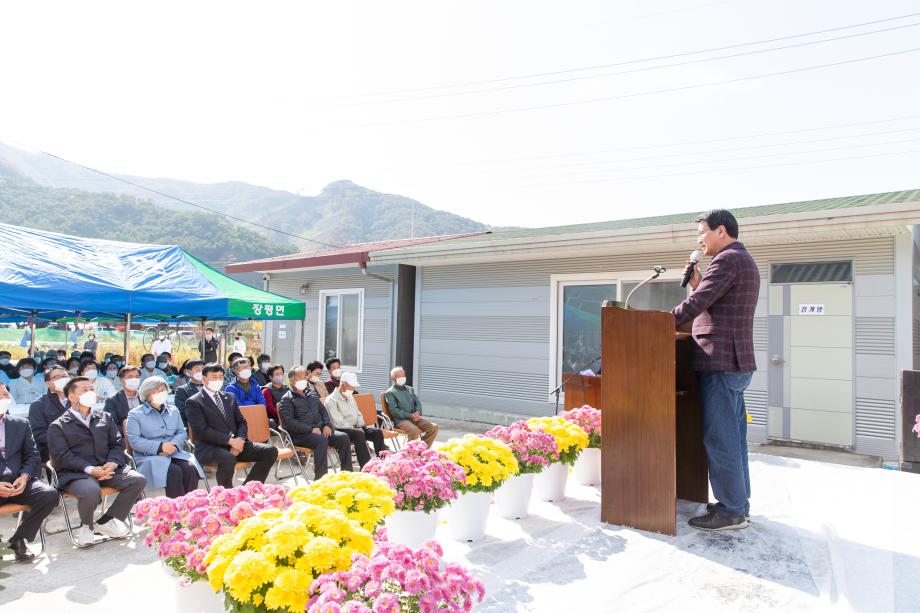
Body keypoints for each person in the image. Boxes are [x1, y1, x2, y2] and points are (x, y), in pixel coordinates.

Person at [672, 209, 760, 532]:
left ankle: (731, 511)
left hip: (722, 362)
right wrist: (698, 284)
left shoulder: (727, 260)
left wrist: (660, 322)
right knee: (734, 439)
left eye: (702, 233)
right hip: (734, 363)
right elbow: (714, 302)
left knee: (721, 438)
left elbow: (696, 306)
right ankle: (738, 504)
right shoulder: (742, 260)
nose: (700, 241)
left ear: (720, 230)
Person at [47, 377, 147, 546]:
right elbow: (62, 456)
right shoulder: (58, 426)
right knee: (90, 490)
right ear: (72, 397)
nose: (90, 393)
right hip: (77, 474)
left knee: (137, 480)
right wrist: (90, 469)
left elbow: (117, 444)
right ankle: (87, 526)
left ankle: (107, 520)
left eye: (91, 389)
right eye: (85, 390)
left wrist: (112, 463)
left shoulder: (104, 417)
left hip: (107, 468)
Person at [184, 363, 278, 488]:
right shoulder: (194, 402)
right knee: (228, 458)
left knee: (270, 451)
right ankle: (227, 495)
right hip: (210, 447)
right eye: (214, 377)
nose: (218, 380)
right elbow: (202, 431)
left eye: (220, 377)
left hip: (236, 443)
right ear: (204, 379)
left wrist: (240, 440)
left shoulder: (229, 397)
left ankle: (248, 489)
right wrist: (230, 441)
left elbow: (242, 422)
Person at [0, 382, 59, 562]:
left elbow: (32, 455)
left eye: (5, 395)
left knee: (49, 495)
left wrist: (24, 477)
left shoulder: (20, 424)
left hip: (19, 482)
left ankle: (19, 538)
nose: (3, 399)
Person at [126, 377, 203, 498]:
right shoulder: (135, 414)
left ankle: (189, 504)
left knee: (190, 468)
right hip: (149, 457)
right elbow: (134, 441)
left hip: (174, 452)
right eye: (156, 391)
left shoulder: (173, 410)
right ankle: (175, 507)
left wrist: (174, 445)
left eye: (163, 390)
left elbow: (181, 432)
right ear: (147, 393)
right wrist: (160, 447)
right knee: (174, 471)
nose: (161, 393)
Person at [278, 366, 352, 478]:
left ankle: (347, 474)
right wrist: (310, 429)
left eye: (305, 376)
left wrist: (327, 425)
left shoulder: (312, 394)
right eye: (300, 377)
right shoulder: (287, 399)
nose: (304, 379)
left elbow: (323, 411)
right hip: (300, 435)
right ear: (292, 379)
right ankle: (321, 478)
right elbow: (289, 422)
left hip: (320, 430)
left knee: (343, 437)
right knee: (321, 441)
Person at [325, 372, 385, 467]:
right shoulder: (331, 400)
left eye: (354, 387)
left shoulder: (350, 397)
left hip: (356, 428)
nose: (353, 390)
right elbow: (337, 422)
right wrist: (353, 428)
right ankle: (366, 466)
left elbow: (358, 414)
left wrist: (360, 425)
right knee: (359, 434)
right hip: (341, 429)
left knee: (377, 432)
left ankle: (383, 463)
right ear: (342, 385)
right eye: (351, 387)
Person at [384, 367, 438, 448]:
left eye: (404, 375)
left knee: (434, 427)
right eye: (400, 375)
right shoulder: (390, 392)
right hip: (401, 420)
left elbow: (417, 402)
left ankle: (422, 449)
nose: (403, 377)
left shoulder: (410, 389)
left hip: (415, 418)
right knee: (414, 430)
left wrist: (418, 412)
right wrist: (410, 415)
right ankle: (410, 452)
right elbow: (394, 410)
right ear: (394, 378)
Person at [27, 365, 71, 462]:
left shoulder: (78, 400)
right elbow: (39, 435)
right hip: (54, 453)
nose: (63, 379)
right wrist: (68, 440)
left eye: (65, 376)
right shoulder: (39, 404)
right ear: (48, 383)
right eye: (57, 377)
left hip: (82, 449)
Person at [173, 359, 205, 425]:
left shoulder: (210, 387)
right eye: (197, 370)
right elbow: (183, 411)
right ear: (189, 372)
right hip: (193, 425)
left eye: (203, 369)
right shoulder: (182, 390)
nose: (201, 372)